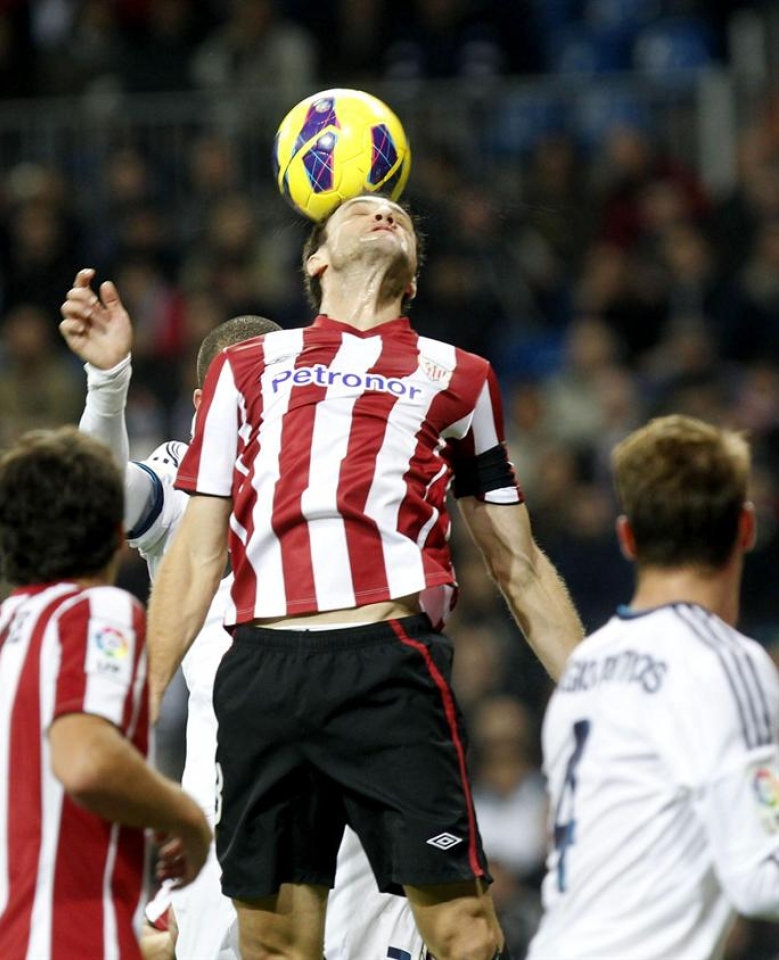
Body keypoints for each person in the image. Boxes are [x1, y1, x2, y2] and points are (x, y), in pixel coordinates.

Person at [146, 193, 583, 960]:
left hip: (388, 665)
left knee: (467, 936)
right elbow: (194, 555)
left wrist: (596, 694)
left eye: (401, 217)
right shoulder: (245, 369)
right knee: (275, 944)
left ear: (414, 276)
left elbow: (519, 564)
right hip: (264, 669)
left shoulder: (462, 376)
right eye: (360, 211)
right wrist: (134, 703)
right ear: (315, 259)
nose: (384, 217)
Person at [59, 267, 429, 960]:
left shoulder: (339, 474)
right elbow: (102, 497)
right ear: (207, 402)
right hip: (226, 803)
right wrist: (108, 387)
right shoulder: (185, 475)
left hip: (349, 789)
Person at [528, 414, 779, 960]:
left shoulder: (583, 670)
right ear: (746, 528)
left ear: (628, 537)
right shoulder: (727, 661)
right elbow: (760, 881)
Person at [0, 426, 211, 960]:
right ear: (117, 536)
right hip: (75, 940)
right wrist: (185, 817)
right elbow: (86, 761)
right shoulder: (97, 613)